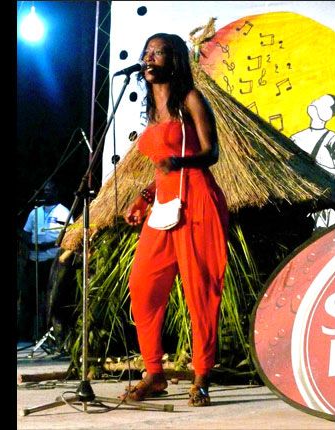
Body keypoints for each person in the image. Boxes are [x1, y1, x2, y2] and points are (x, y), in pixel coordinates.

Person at [119, 33, 230, 407]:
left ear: (175, 60)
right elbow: (162, 169)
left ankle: (201, 376)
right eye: (147, 52)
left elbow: (210, 152)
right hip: (164, 204)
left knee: (200, 289)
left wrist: (180, 163)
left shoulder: (190, 99)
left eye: (159, 53)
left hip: (198, 199)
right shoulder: (151, 111)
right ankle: (155, 373)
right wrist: (146, 195)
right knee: (143, 285)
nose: (150, 58)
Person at [19, 180, 70, 342]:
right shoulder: (35, 212)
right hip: (34, 261)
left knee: (52, 298)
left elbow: (70, 234)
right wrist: (29, 243)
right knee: (29, 298)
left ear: (56, 191)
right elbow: (26, 232)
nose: (47, 192)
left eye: (50, 189)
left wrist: (48, 244)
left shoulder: (63, 212)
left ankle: (54, 335)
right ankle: (25, 335)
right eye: (45, 190)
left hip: (52, 261)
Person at [290, 94, 335, 229]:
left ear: (328, 113)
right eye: (317, 100)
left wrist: (315, 168)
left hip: (326, 203)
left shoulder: (332, 139)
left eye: (323, 103)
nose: (316, 102)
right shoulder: (295, 138)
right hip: (302, 200)